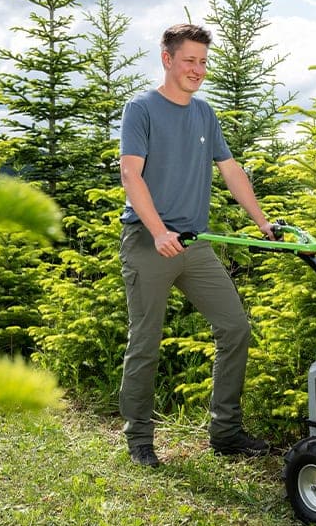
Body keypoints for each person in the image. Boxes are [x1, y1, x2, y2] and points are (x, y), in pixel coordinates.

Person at [117, 23, 273, 468]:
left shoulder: (204, 114)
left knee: (234, 328)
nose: (198, 70)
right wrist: (159, 230)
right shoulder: (141, 108)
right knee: (145, 341)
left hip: (195, 244)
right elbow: (131, 175)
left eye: (203, 62)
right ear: (168, 60)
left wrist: (263, 222)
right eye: (190, 60)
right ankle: (140, 440)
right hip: (149, 241)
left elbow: (230, 169)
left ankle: (225, 432)